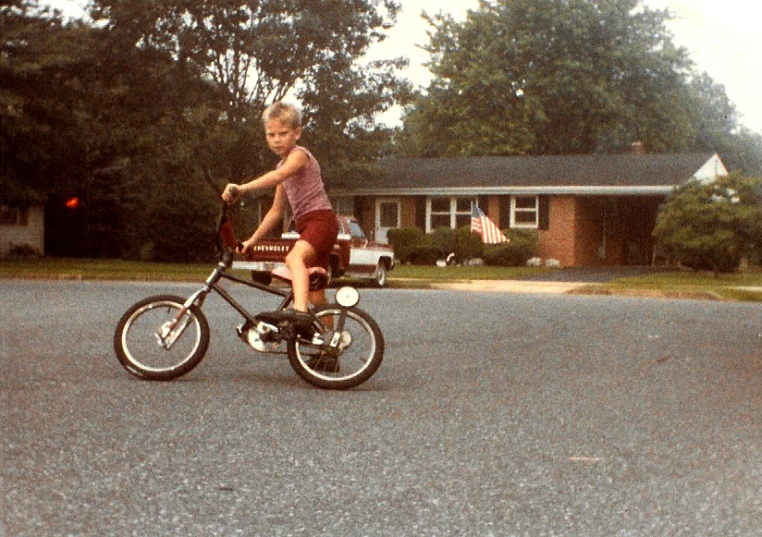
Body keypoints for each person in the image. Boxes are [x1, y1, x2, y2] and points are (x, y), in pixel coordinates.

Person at [221, 102, 339, 344]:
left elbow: (279, 176)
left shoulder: (299, 156)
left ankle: (300, 315)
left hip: (321, 220)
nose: (276, 140)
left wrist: (241, 188)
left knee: (293, 259)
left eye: (283, 134)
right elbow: (276, 212)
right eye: (271, 135)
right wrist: (251, 241)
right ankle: (329, 347)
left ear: (297, 132)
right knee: (316, 296)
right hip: (309, 225)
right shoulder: (281, 165)